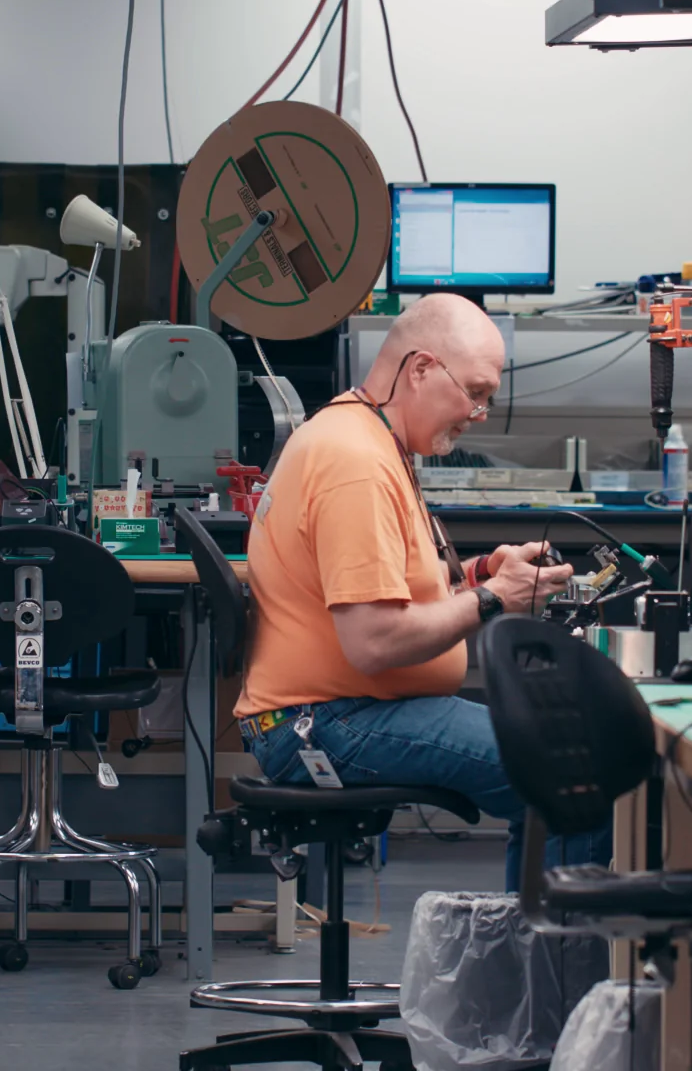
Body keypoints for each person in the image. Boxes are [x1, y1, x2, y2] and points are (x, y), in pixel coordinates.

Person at [237, 292, 605, 888]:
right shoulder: (355, 461)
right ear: (422, 369)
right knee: (573, 776)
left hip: (345, 710)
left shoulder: (371, 436)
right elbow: (374, 641)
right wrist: (495, 599)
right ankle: (549, 951)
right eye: (476, 392)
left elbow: (390, 588)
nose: (479, 414)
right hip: (326, 721)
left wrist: (480, 574)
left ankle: (532, 942)